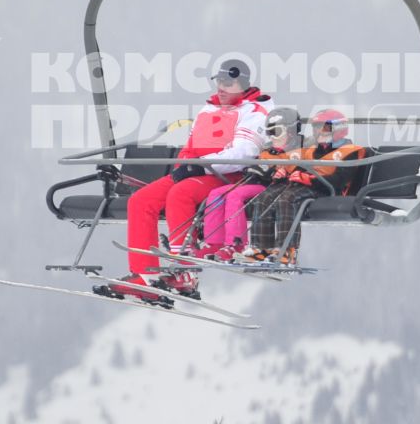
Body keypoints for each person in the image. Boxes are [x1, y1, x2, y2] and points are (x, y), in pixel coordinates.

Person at [98, 59, 271, 302]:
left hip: (228, 176)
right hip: (197, 172)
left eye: (228, 83)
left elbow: (243, 153)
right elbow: (191, 146)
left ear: (242, 84)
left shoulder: (253, 112)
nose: (221, 88)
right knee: (140, 201)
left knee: (180, 195)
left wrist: (198, 167)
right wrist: (184, 166)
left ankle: (183, 270)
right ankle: (144, 274)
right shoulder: (209, 110)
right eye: (219, 82)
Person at [245, 107, 368, 266]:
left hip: (326, 190)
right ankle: (261, 247)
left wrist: (310, 179)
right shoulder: (311, 150)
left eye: (325, 127)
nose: (319, 131)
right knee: (264, 198)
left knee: (287, 199)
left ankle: (287, 250)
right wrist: (283, 172)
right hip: (305, 186)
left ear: (339, 128)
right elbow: (298, 168)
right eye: (316, 127)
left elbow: (339, 180)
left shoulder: (349, 151)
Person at [198, 106, 301, 262]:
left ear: (291, 131)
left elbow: (294, 170)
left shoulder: (297, 150)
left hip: (272, 187)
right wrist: (254, 168)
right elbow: (258, 165)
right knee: (217, 194)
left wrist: (273, 171)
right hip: (256, 183)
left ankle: (236, 244)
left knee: (235, 195)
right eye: (269, 132)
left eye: (276, 132)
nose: (272, 137)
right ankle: (214, 242)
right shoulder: (268, 151)